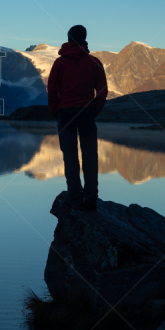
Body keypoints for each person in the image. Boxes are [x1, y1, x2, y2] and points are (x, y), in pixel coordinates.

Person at [47, 25, 108, 211]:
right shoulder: (94, 62)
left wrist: (56, 111)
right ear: (84, 39)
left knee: (70, 157)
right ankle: (91, 199)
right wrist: (94, 109)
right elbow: (103, 90)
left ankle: (74, 197)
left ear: (68, 38)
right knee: (90, 156)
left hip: (66, 114)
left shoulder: (59, 63)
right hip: (87, 114)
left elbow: (52, 90)